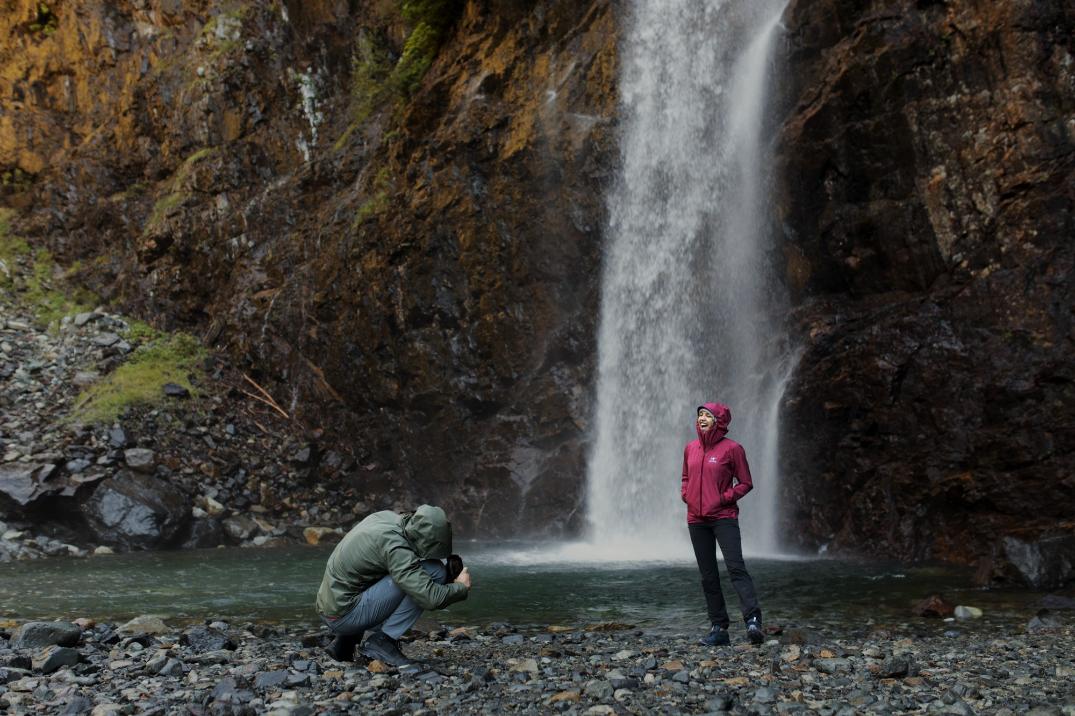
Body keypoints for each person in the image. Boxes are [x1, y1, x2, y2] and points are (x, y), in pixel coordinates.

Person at [315, 504, 472, 665]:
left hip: (331, 606)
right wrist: (460, 587)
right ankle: (383, 641)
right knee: (435, 571)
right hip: (344, 616)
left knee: (393, 574)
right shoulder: (396, 548)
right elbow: (430, 598)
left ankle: (345, 643)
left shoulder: (386, 518)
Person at [681, 402, 765, 646]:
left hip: (723, 518)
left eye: (707, 415)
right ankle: (718, 628)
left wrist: (723, 498)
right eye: (699, 415)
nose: (702, 419)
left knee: (736, 568)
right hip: (696, 520)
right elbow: (685, 477)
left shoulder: (732, 449)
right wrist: (685, 494)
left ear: (719, 420)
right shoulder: (690, 448)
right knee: (708, 576)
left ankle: (753, 621)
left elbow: (746, 482)